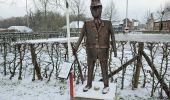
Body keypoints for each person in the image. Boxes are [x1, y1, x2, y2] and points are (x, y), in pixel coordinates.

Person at [74, 0, 117, 94]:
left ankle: (106, 85)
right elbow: (80, 37)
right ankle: (89, 84)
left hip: (103, 50)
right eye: (93, 9)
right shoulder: (87, 24)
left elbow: (113, 36)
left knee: (104, 68)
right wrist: (76, 47)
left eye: (97, 8)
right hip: (91, 50)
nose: (95, 11)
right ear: (90, 10)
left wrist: (115, 50)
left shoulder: (108, 23)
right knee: (90, 67)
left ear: (101, 9)